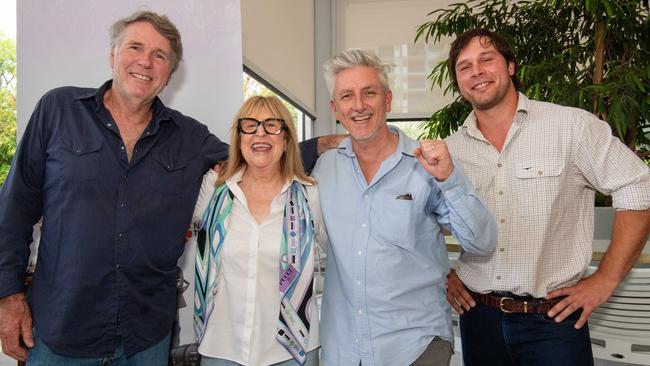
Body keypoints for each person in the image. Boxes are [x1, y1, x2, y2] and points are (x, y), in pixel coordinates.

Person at [0, 10, 329, 364]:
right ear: (112, 56)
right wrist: (8, 297)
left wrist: (324, 145)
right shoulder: (59, 110)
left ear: (170, 73)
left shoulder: (189, 138)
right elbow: (13, 210)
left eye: (160, 55)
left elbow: (252, 154)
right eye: (135, 47)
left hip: (146, 337)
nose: (146, 61)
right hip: (61, 330)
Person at [443, 28, 650, 365]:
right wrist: (444, 270)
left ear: (510, 65)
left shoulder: (571, 127)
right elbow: (419, 221)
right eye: (464, 67)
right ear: (458, 81)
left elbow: (638, 185)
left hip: (553, 321)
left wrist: (606, 278)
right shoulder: (451, 150)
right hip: (478, 320)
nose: (476, 72)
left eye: (486, 59)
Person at [312, 49, 496, 366]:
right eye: (347, 96)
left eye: (369, 93)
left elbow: (481, 242)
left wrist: (451, 180)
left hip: (416, 348)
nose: (358, 105)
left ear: (388, 99)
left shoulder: (428, 164)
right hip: (343, 350)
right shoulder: (323, 171)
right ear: (335, 109)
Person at [192, 95, 327, 366]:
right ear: (239, 137)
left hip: (293, 350)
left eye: (272, 126)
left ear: (287, 139)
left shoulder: (310, 193)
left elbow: (336, 256)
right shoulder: (215, 189)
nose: (260, 134)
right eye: (250, 125)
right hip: (222, 348)